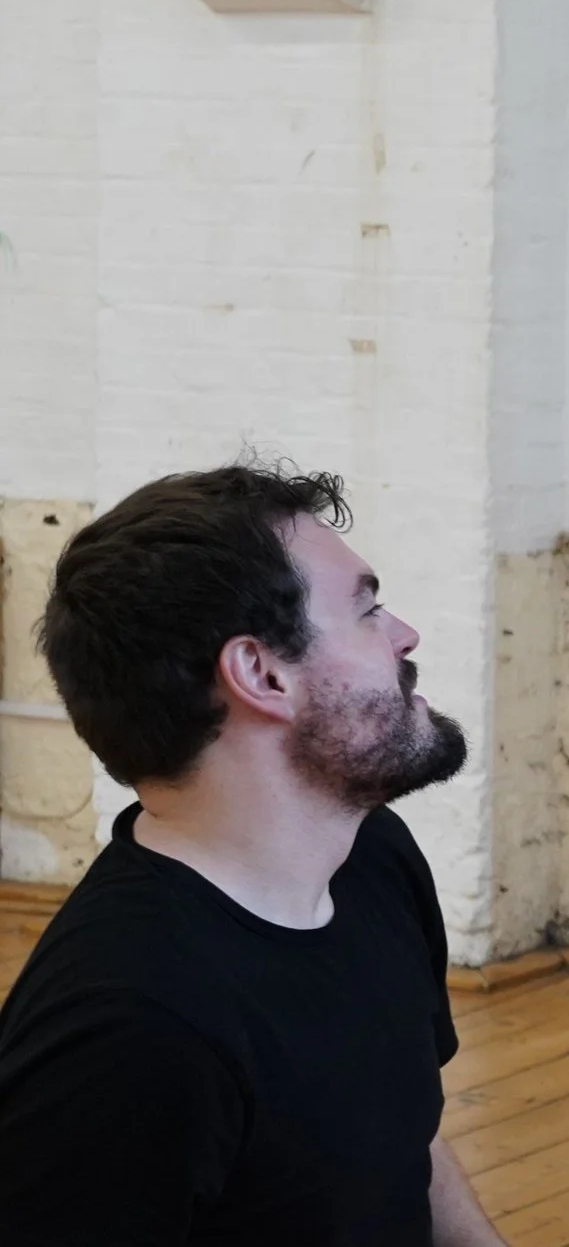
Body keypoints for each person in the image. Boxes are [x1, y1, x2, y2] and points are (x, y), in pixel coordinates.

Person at [0, 466, 502, 1245]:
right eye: (367, 610)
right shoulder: (127, 1029)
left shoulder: (372, 859)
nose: (404, 633)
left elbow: (408, 1139)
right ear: (261, 674)